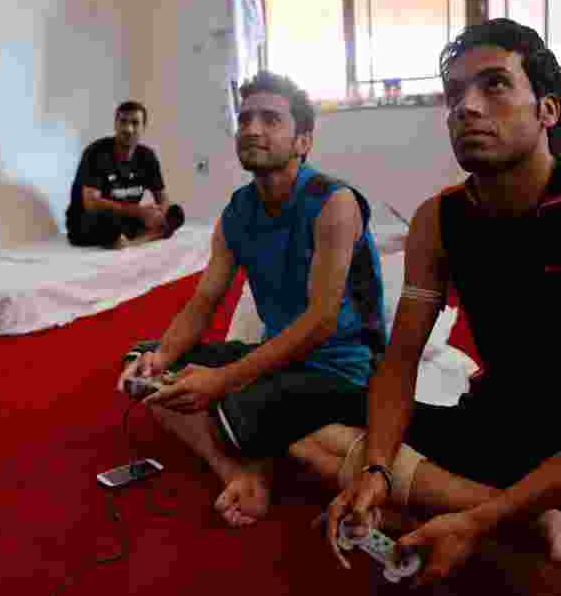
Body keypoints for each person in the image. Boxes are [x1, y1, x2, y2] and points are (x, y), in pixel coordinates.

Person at [319, 18, 561, 594]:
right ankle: (521, 526)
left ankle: (481, 526)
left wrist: (474, 519)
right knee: (314, 433)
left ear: (548, 111)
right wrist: (378, 470)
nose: (467, 107)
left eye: (494, 86)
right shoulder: (438, 219)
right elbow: (401, 359)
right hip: (501, 422)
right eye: (454, 94)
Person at [116, 71, 387, 527]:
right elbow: (204, 301)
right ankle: (240, 474)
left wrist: (222, 380)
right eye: (244, 120)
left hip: (341, 368)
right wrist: (162, 357)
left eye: (270, 120)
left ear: (303, 141)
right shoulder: (237, 212)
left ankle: (248, 450)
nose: (252, 129)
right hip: (277, 358)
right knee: (143, 367)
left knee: (229, 410)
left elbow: (321, 322)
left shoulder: (333, 203)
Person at [65, 101, 184, 248]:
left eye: (135, 123)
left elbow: (163, 199)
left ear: (143, 128)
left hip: (126, 218)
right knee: (108, 221)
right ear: (115, 124)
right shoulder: (96, 153)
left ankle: (132, 240)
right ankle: (144, 236)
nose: (128, 129)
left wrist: (159, 215)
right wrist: (140, 212)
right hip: (89, 220)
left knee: (176, 213)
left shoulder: (147, 157)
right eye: (123, 122)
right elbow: (91, 203)